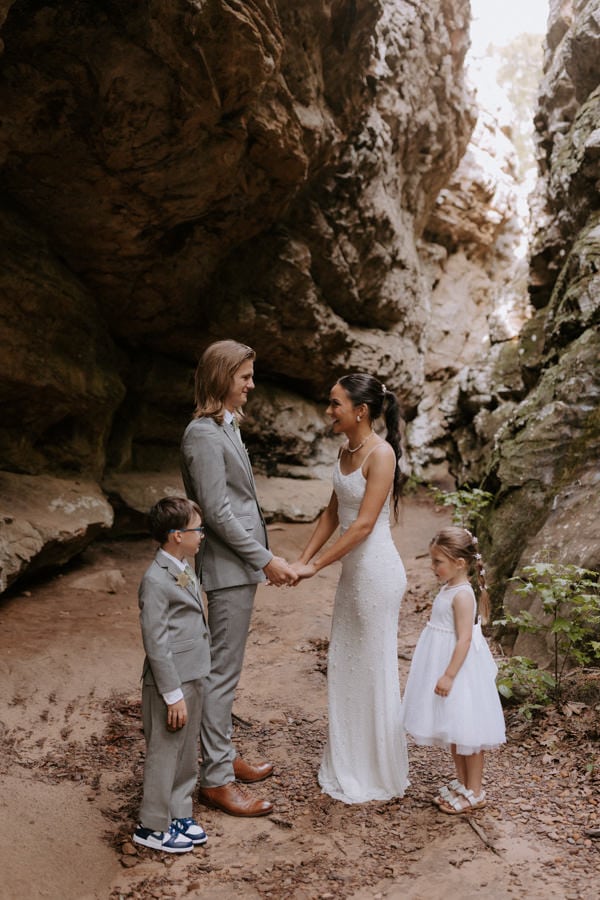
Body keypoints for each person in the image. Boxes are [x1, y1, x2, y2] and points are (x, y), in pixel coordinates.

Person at [180, 339, 297, 817]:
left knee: (226, 669)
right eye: (244, 376)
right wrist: (264, 558)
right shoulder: (202, 435)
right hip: (228, 567)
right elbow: (218, 513)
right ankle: (215, 780)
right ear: (221, 377)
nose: (251, 384)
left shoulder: (224, 426)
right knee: (221, 673)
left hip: (240, 564)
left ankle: (223, 756)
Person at [291, 373, 410, 803]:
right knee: (346, 661)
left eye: (335, 403)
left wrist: (316, 566)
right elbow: (331, 514)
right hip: (353, 575)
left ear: (360, 411)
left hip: (376, 574)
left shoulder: (382, 456)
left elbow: (362, 525)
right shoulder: (346, 450)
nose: (329, 411)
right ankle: (348, 757)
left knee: (373, 666)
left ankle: (375, 768)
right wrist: (301, 561)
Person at [402, 526, 506, 814]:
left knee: (468, 733)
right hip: (446, 663)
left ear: (460, 564)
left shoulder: (463, 595)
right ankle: (462, 782)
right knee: (455, 729)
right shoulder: (450, 588)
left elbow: (465, 638)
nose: (432, 566)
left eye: (438, 562)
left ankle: (475, 790)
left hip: (460, 671)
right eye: (433, 561)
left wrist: (448, 675)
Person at [133, 496, 210, 853]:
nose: (202, 535)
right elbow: (156, 641)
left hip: (193, 672)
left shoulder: (181, 565)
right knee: (164, 751)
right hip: (171, 681)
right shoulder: (155, 579)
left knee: (184, 749)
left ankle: (179, 811)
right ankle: (151, 825)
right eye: (198, 529)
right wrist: (172, 693)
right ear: (177, 535)